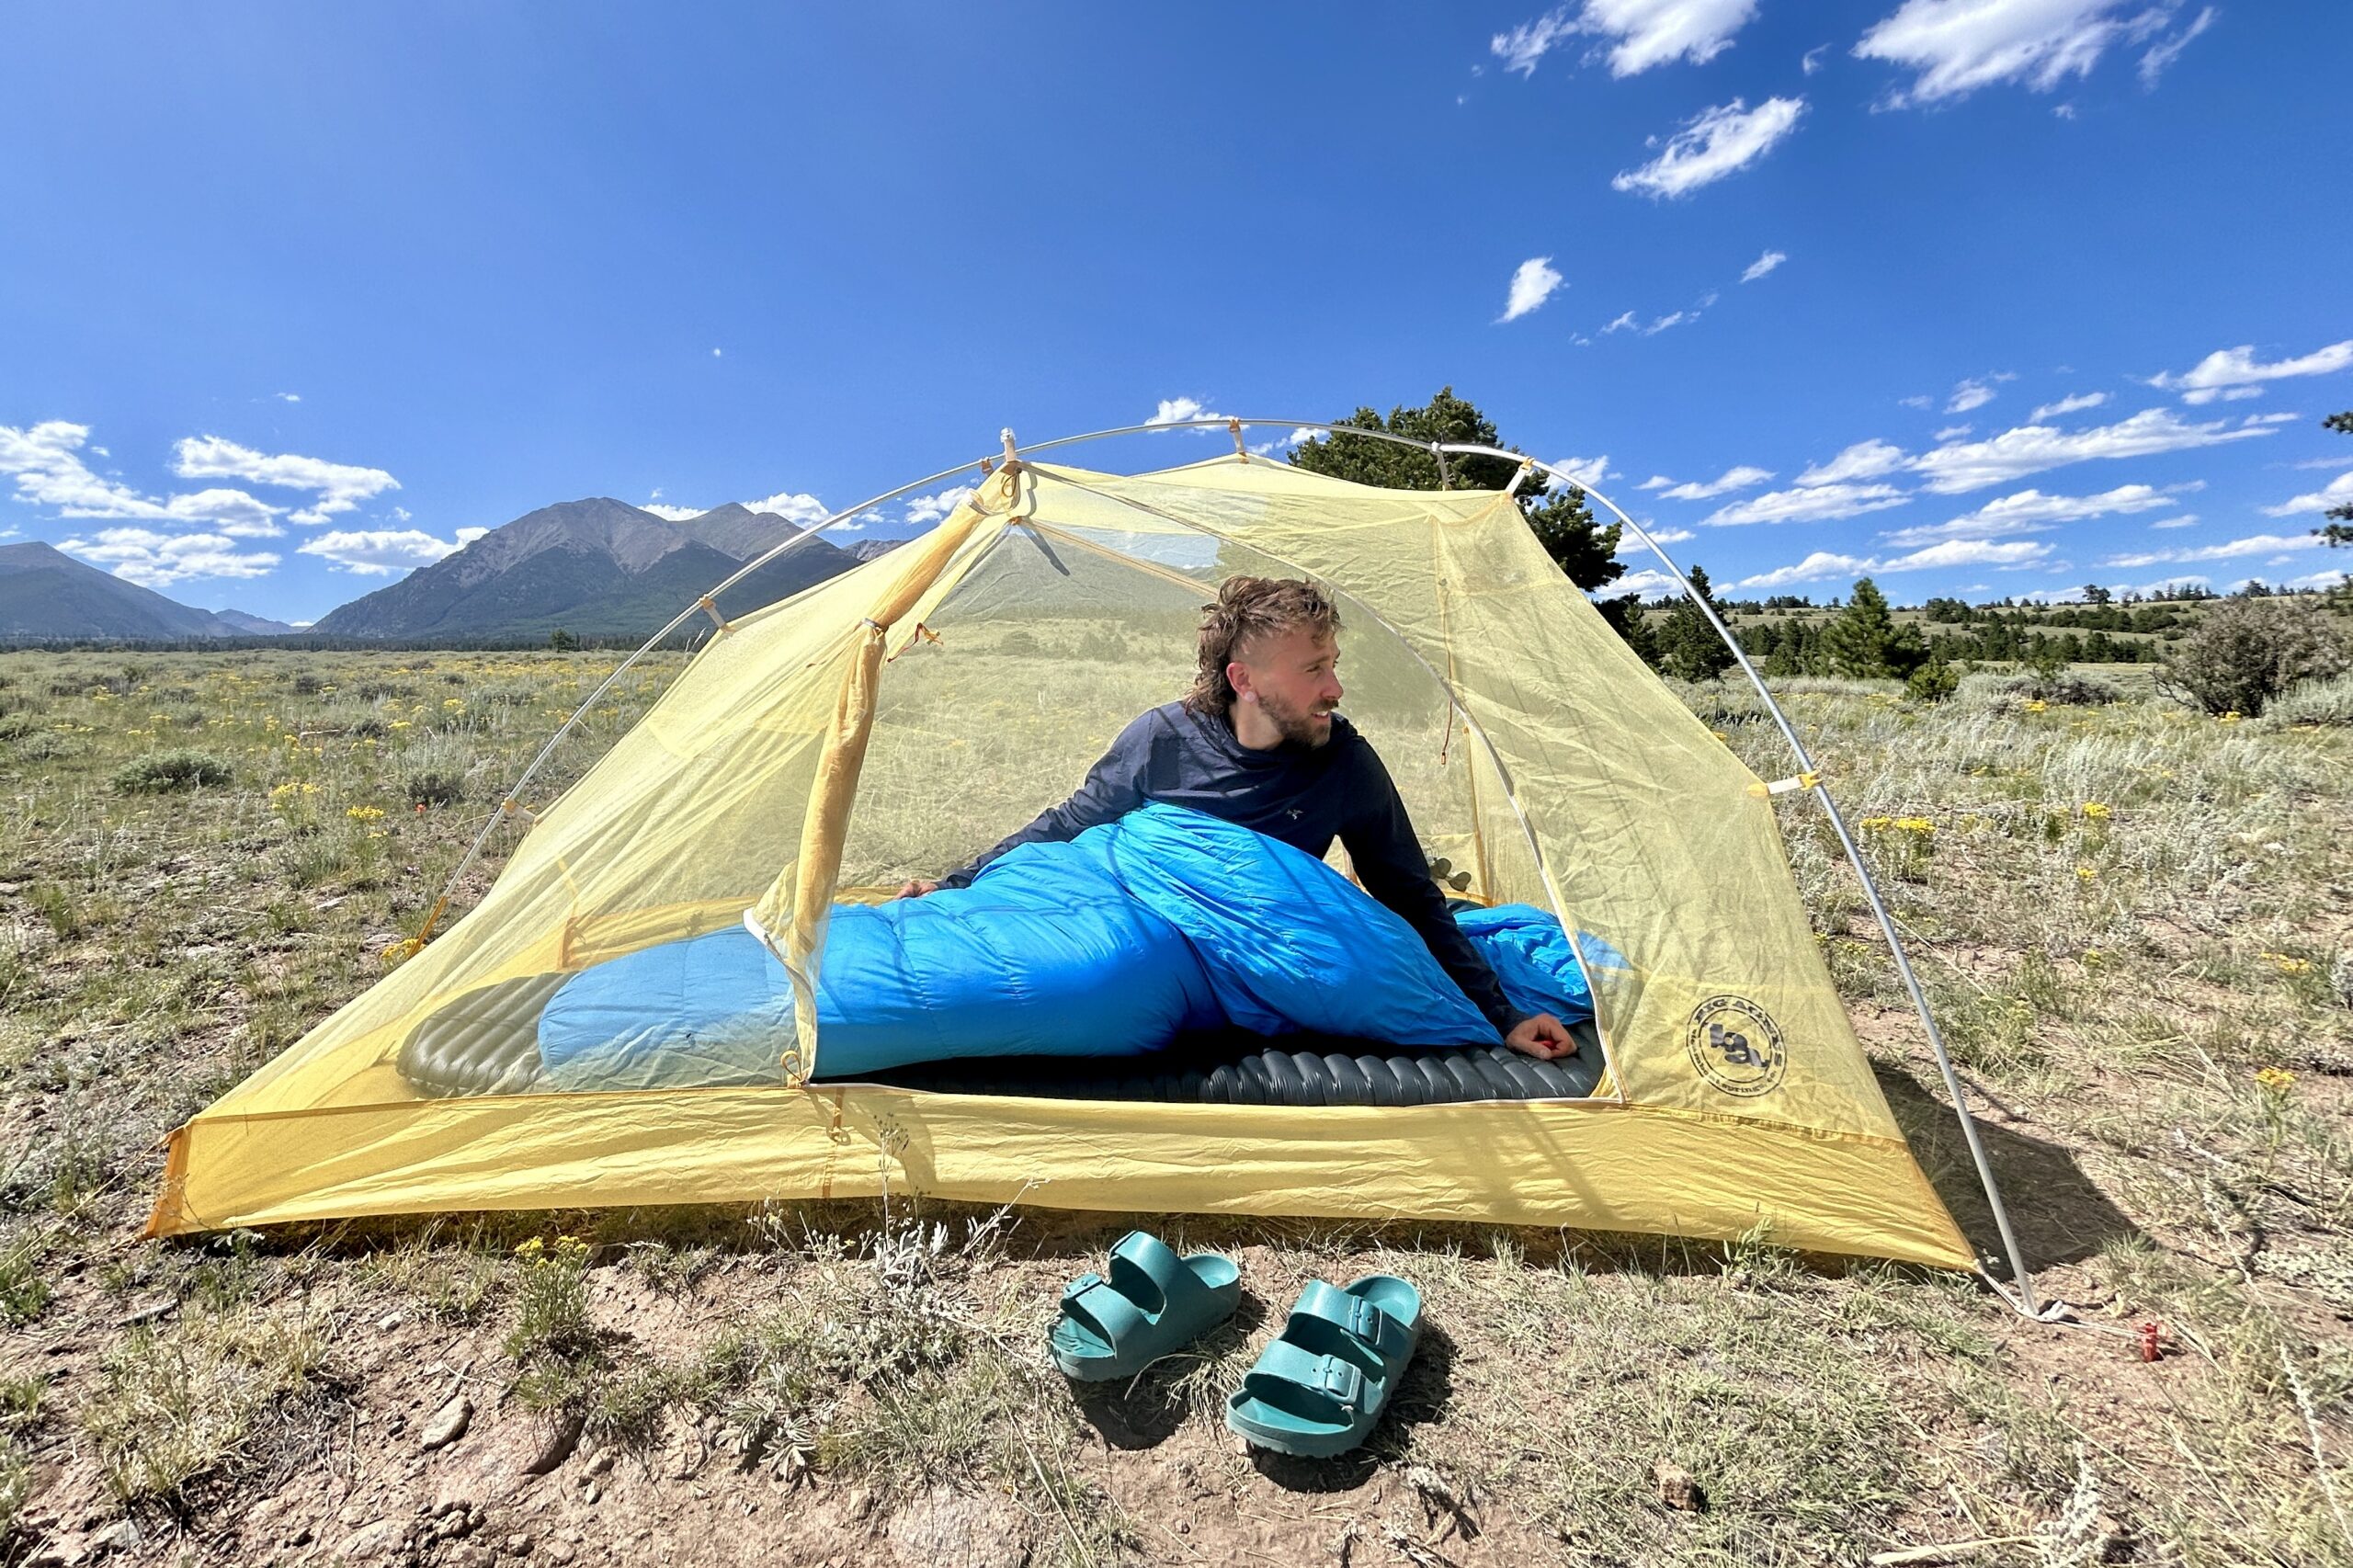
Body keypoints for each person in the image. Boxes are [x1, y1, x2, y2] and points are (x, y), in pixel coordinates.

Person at [895, 576, 1578, 1062]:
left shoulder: (1344, 760)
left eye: (1334, 664)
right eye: (1315, 668)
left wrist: (1501, 1014)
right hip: (1152, 944)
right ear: (1244, 680)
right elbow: (1072, 823)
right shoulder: (1162, 740)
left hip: (1267, 968)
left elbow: (1407, 892)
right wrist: (960, 885)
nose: (1335, 688)